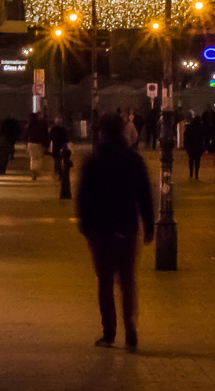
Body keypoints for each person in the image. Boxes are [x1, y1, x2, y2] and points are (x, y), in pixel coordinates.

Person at [76, 113, 155, 350]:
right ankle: (130, 327)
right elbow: (144, 196)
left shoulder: (93, 161)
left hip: (100, 231)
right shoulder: (133, 160)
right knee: (128, 281)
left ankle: (109, 332)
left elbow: (83, 198)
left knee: (105, 282)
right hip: (126, 228)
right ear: (121, 131)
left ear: (101, 132)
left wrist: (86, 226)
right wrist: (149, 224)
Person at [25, 112, 49, 180]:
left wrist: (26, 143)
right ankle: (36, 170)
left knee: (32, 158)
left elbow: (25, 134)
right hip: (38, 143)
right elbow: (44, 134)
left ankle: (33, 170)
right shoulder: (40, 125)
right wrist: (46, 144)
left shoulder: (29, 125)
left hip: (30, 143)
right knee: (39, 158)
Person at [182, 112, 207, 180]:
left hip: (191, 147)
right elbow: (204, 137)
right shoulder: (201, 127)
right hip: (198, 147)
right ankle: (196, 174)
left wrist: (186, 145)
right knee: (197, 161)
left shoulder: (189, 127)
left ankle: (191, 174)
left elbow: (186, 136)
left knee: (191, 160)